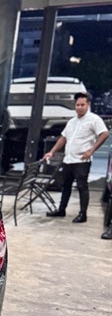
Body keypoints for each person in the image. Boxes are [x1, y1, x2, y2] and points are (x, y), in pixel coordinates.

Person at [43, 92, 109, 222]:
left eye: (82, 105)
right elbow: (63, 138)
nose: (79, 107)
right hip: (68, 159)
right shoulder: (72, 121)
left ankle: (82, 214)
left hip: (82, 160)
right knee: (65, 185)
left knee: (82, 186)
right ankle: (61, 209)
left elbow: (104, 134)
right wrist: (52, 151)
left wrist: (91, 150)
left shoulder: (94, 119)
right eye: (77, 105)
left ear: (88, 105)